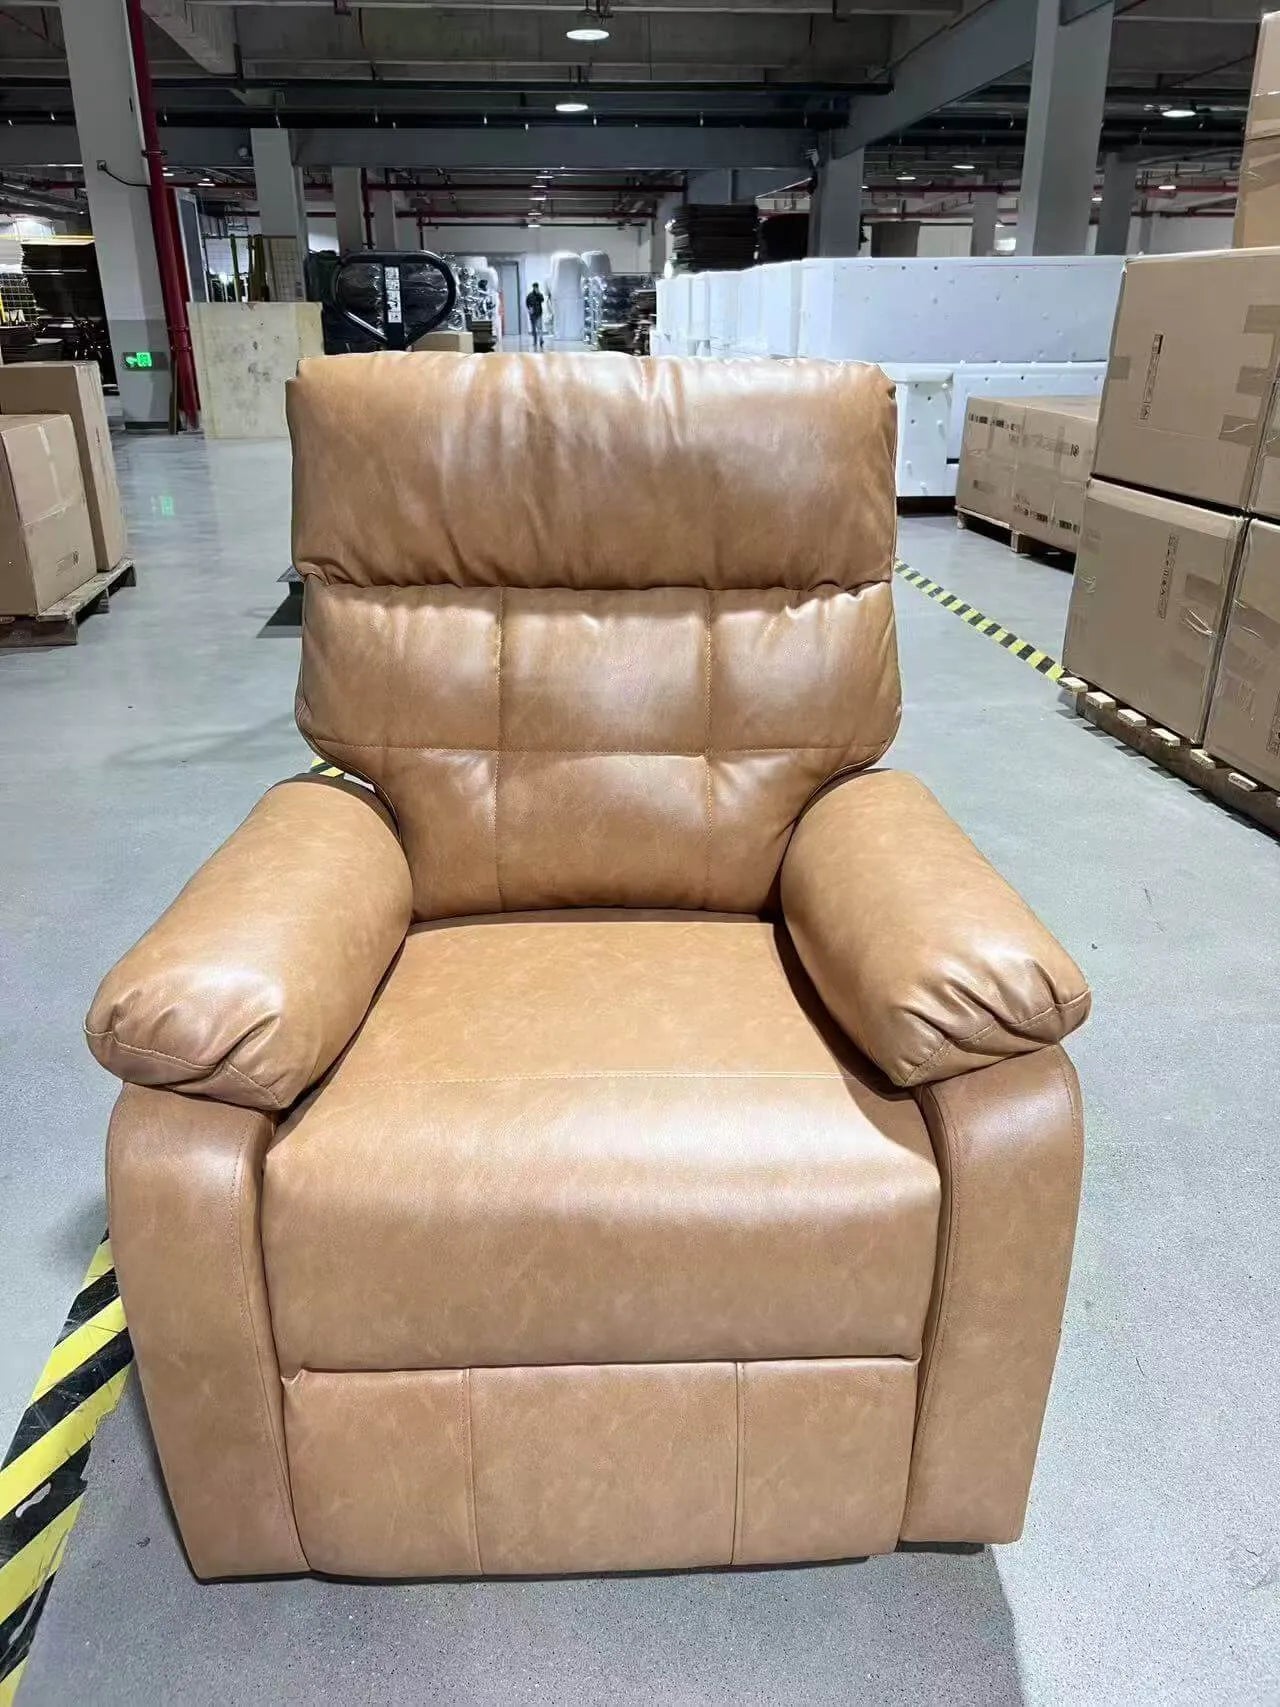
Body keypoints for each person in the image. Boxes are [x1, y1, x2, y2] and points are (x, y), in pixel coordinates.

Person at [526, 282, 546, 351]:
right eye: (535, 287)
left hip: (539, 313)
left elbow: (542, 300)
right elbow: (527, 303)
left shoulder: (540, 294)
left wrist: (538, 294)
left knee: (540, 327)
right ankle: (535, 341)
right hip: (532, 314)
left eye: (537, 287)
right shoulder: (530, 295)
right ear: (533, 287)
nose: (536, 288)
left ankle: (541, 340)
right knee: (534, 329)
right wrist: (529, 309)